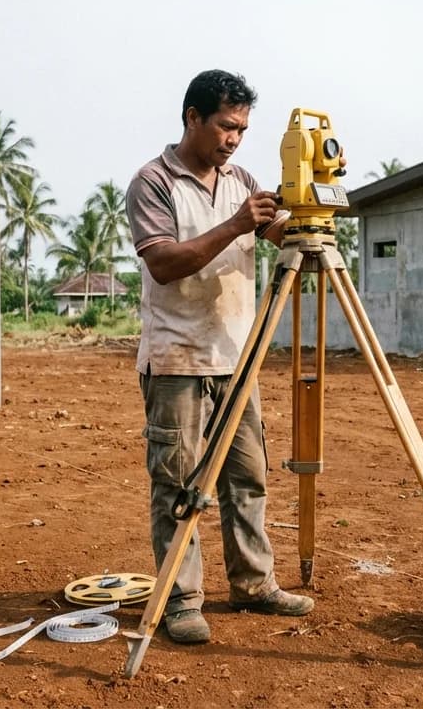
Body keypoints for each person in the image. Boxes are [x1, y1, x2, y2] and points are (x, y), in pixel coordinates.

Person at [125, 69, 312, 645]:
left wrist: (305, 217)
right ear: (192, 118)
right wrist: (237, 225)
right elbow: (164, 262)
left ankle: (254, 583)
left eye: (242, 130)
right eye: (226, 126)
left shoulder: (243, 179)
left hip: (238, 358)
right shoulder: (153, 182)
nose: (234, 139)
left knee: (247, 479)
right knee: (179, 485)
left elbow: (279, 231)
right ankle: (180, 600)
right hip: (177, 359)